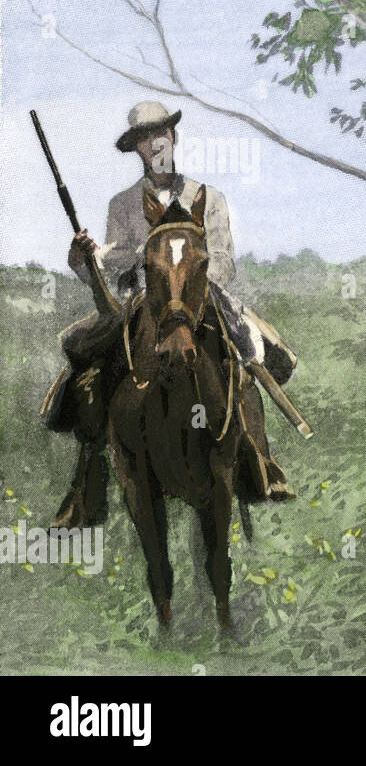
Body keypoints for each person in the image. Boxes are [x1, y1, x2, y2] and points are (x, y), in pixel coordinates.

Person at [41, 101, 296, 528]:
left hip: (200, 296)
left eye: (161, 132)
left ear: (173, 137)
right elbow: (111, 267)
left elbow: (225, 262)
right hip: (143, 302)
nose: (155, 141)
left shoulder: (208, 197)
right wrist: (86, 259)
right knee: (82, 355)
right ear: (137, 148)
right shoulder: (122, 205)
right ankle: (87, 480)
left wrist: (184, 275)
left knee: (249, 346)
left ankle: (261, 460)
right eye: (145, 137)